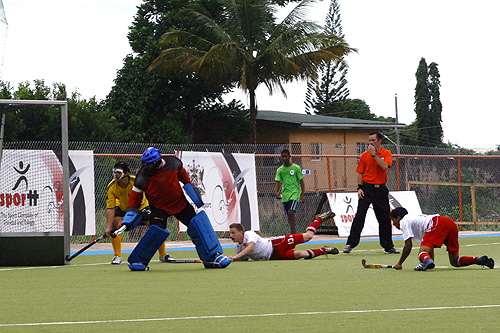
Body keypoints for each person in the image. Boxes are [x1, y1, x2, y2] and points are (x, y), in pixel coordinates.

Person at [125, 147, 231, 268]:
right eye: (144, 164)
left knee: (197, 226)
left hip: (180, 204)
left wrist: (195, 198)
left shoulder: (174, 164)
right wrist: (130, 215)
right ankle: (138, 261)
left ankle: (213, 257)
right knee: (155, 232)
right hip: (159, 208)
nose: (145, 167)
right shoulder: (141, 177)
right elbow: (135, 198)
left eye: (148, 165)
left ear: (157, 162)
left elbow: (186, 181)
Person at [343, 132, 399, 254]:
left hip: (381, 190)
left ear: (379, 141)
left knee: (384, 218)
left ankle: (388, 245)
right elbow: (360, 172)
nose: (370, 143)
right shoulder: (364, 155)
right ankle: (350, 244)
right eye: (369, 140)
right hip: (367, 189)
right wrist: (359, 188)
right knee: (359, 216)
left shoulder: (386, 153)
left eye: (373, 140)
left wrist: (374, 154)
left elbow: (384, 166)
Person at [389, 207, 495, 271]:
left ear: (398, 218)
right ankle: (479, 260)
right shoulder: (415, 220)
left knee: (421, 253)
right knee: (455, 261)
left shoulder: (404, 221)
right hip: (449, 223)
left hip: (437, 223)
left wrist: (399, 263)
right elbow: (429, 248)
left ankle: (425, 261)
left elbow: (408, 246)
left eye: (393, 220)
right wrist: (430, 262)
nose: (394, 224)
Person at [105, 162, 168, 264]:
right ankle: (117, 256)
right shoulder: (112, 186)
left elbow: (138, 202)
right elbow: (110, 208)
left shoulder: (137, 181)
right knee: (114, 224)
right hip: (123, 208)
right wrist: (108, 227)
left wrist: (127, 217)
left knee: (155, 225)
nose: (116, 174)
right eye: (115, 172)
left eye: (118, 172)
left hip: (141, 207)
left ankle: (163, 255)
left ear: (126, 173)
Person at [228, 211, 339, 261]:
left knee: (308, 236)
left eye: (233, 233)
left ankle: (319, 218)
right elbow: (245, 258)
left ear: (241, 233)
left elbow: (250, 247)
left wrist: (235, 257)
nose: (230, 235)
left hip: (277, 244)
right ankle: (324, 250)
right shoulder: (237, 248)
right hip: (274, 257)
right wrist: (230, 259)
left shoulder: (249, 234)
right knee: (302, 254)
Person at [275, 149, 305, 234]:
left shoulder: (296, 168)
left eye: (285, 156)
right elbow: (278, 182)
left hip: (295, 193)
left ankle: (293, 233)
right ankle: (292, 230)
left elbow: (301, 181)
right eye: (282, 157)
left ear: (289, 157)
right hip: (285, 195)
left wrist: (302, 194)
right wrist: (277, 192)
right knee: (289, 214)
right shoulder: (280, 170)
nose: (284, 158)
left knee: (291, 212)